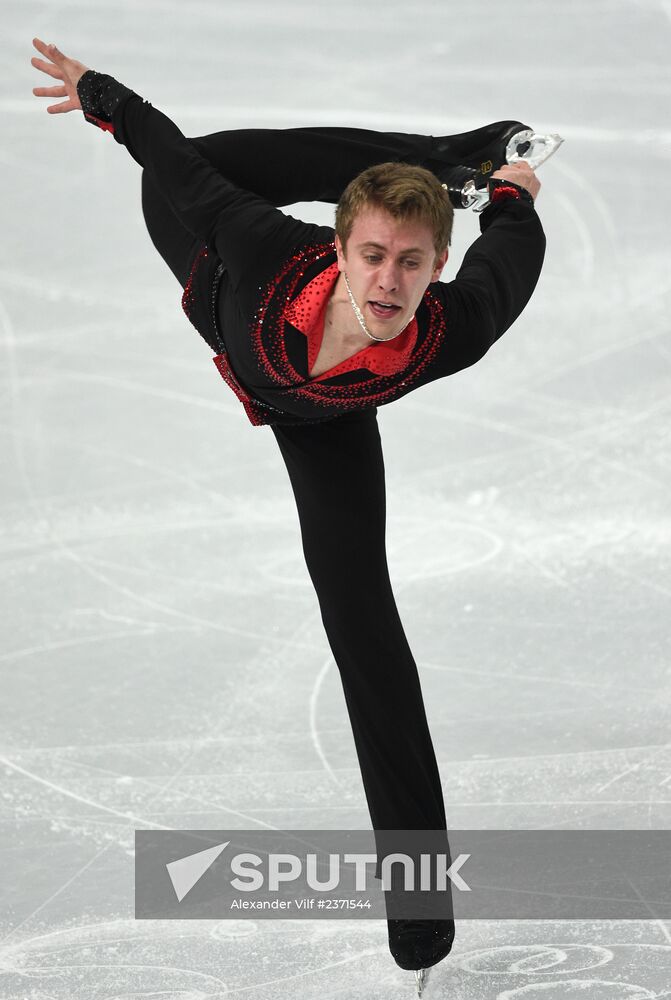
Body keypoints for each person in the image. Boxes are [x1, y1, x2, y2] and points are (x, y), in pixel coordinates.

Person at [31, 37, 547, 990]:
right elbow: (177, 162)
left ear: (437, 267)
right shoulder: (264, 242)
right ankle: (444, 156)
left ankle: (420, 923)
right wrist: (102, 96)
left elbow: (512, 261)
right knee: (211, 161)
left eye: (411, 263)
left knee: (365, 632)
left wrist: (511, 196)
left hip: (322, 424)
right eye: (371, 257)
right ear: (340, 247)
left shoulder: (446, 330)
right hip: (210, 257)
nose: (387, 285)